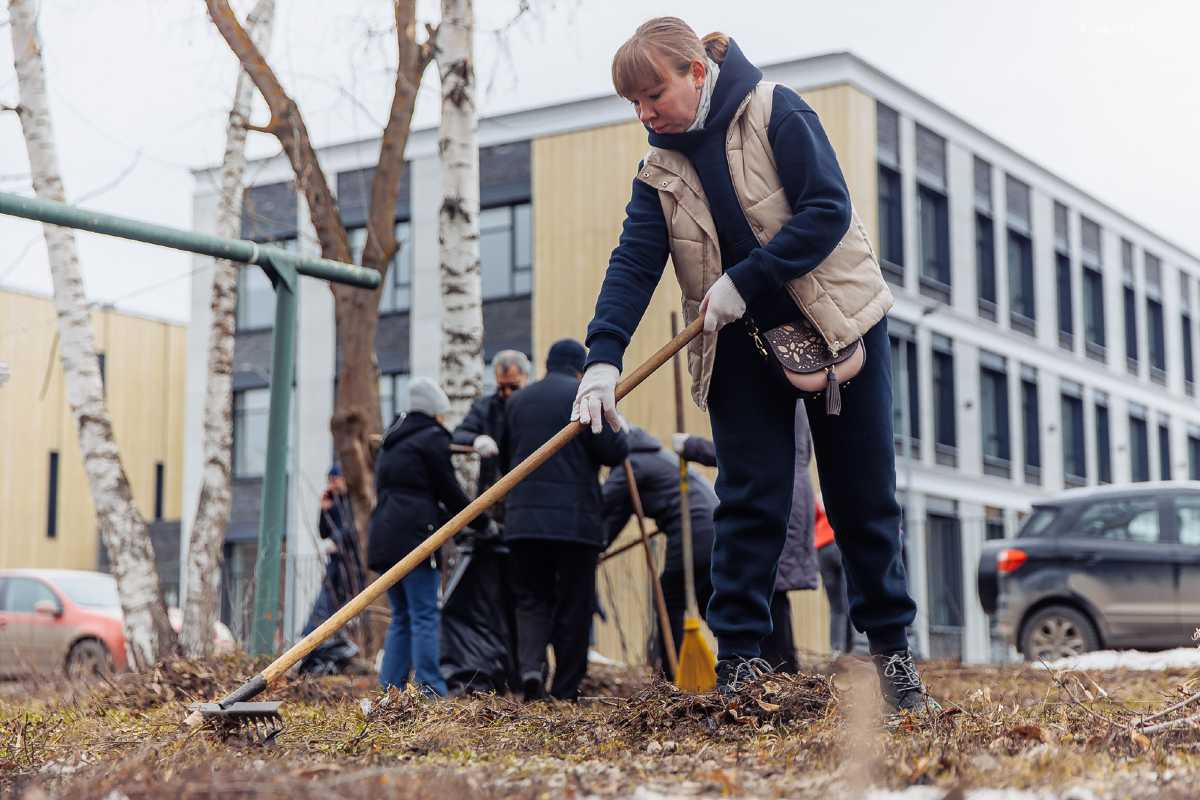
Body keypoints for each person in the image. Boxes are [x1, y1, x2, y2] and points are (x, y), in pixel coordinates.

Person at [573, 18, 937, 713]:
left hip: (838, 323)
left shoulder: (776, 111)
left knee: (863, 497)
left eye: (654, 95)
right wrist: (602, 359)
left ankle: (893, 658)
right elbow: (633, 264)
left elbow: (828, 209)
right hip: (740, 344)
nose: (644, 113)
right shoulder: (659, 170)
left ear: (696, 73)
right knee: (747, 502)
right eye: (634, 103)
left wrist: (747, 278)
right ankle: (739, 665)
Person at [501, 339, 629, 701]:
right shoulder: (585, 397)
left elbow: (505, 459)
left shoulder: (518, 401)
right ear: (580, 369)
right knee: (575, 603)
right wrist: (619, 423)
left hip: (523, 522)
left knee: (531, 600)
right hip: (576, 524)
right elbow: (615, 452)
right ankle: (565, 688)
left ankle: (530, 669)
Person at [671, 402, 817, 675]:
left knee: (771, 581)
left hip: (779, 490)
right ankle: (781, 666)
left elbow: (747, 450)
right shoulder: (799, 401)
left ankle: (780, 667)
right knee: (774, 582)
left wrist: (692, 446)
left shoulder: (778, 396)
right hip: (793, 489)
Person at [367, 377, 491, 697]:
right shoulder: (431, 438)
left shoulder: (393, 439)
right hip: (416, 538)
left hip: (385, 536)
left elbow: (415, 493)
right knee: (424, 614)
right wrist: (481, 522)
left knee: (402, 616)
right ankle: (431, 688)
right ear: (435, 411)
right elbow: (448, 490)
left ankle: (390, 690)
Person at [600, 424, 716, 680]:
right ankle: (743, 653)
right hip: (712, 530)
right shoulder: (656, 456)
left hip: (692, 529)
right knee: (708, 599)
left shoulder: (631, 463)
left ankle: (671, 673)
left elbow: (603, 504)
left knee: (668, 599)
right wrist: (600, 547)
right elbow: (618, 516)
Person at [452, 350, 532, 500]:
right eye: (501, 387)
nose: (507, 393)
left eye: (513, 387)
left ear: (526, 378)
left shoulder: (535, 406)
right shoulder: (485, 407)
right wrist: (476, 440)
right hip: (492, 489)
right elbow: (459, 434)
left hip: (527, 485)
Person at [814, 496, 855, 655]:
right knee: (849, 598)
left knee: (836, 606)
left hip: (822, 549)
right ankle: (853, 649)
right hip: (841, 543)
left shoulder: (819, 497)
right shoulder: (847, 489)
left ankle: (836, 650)